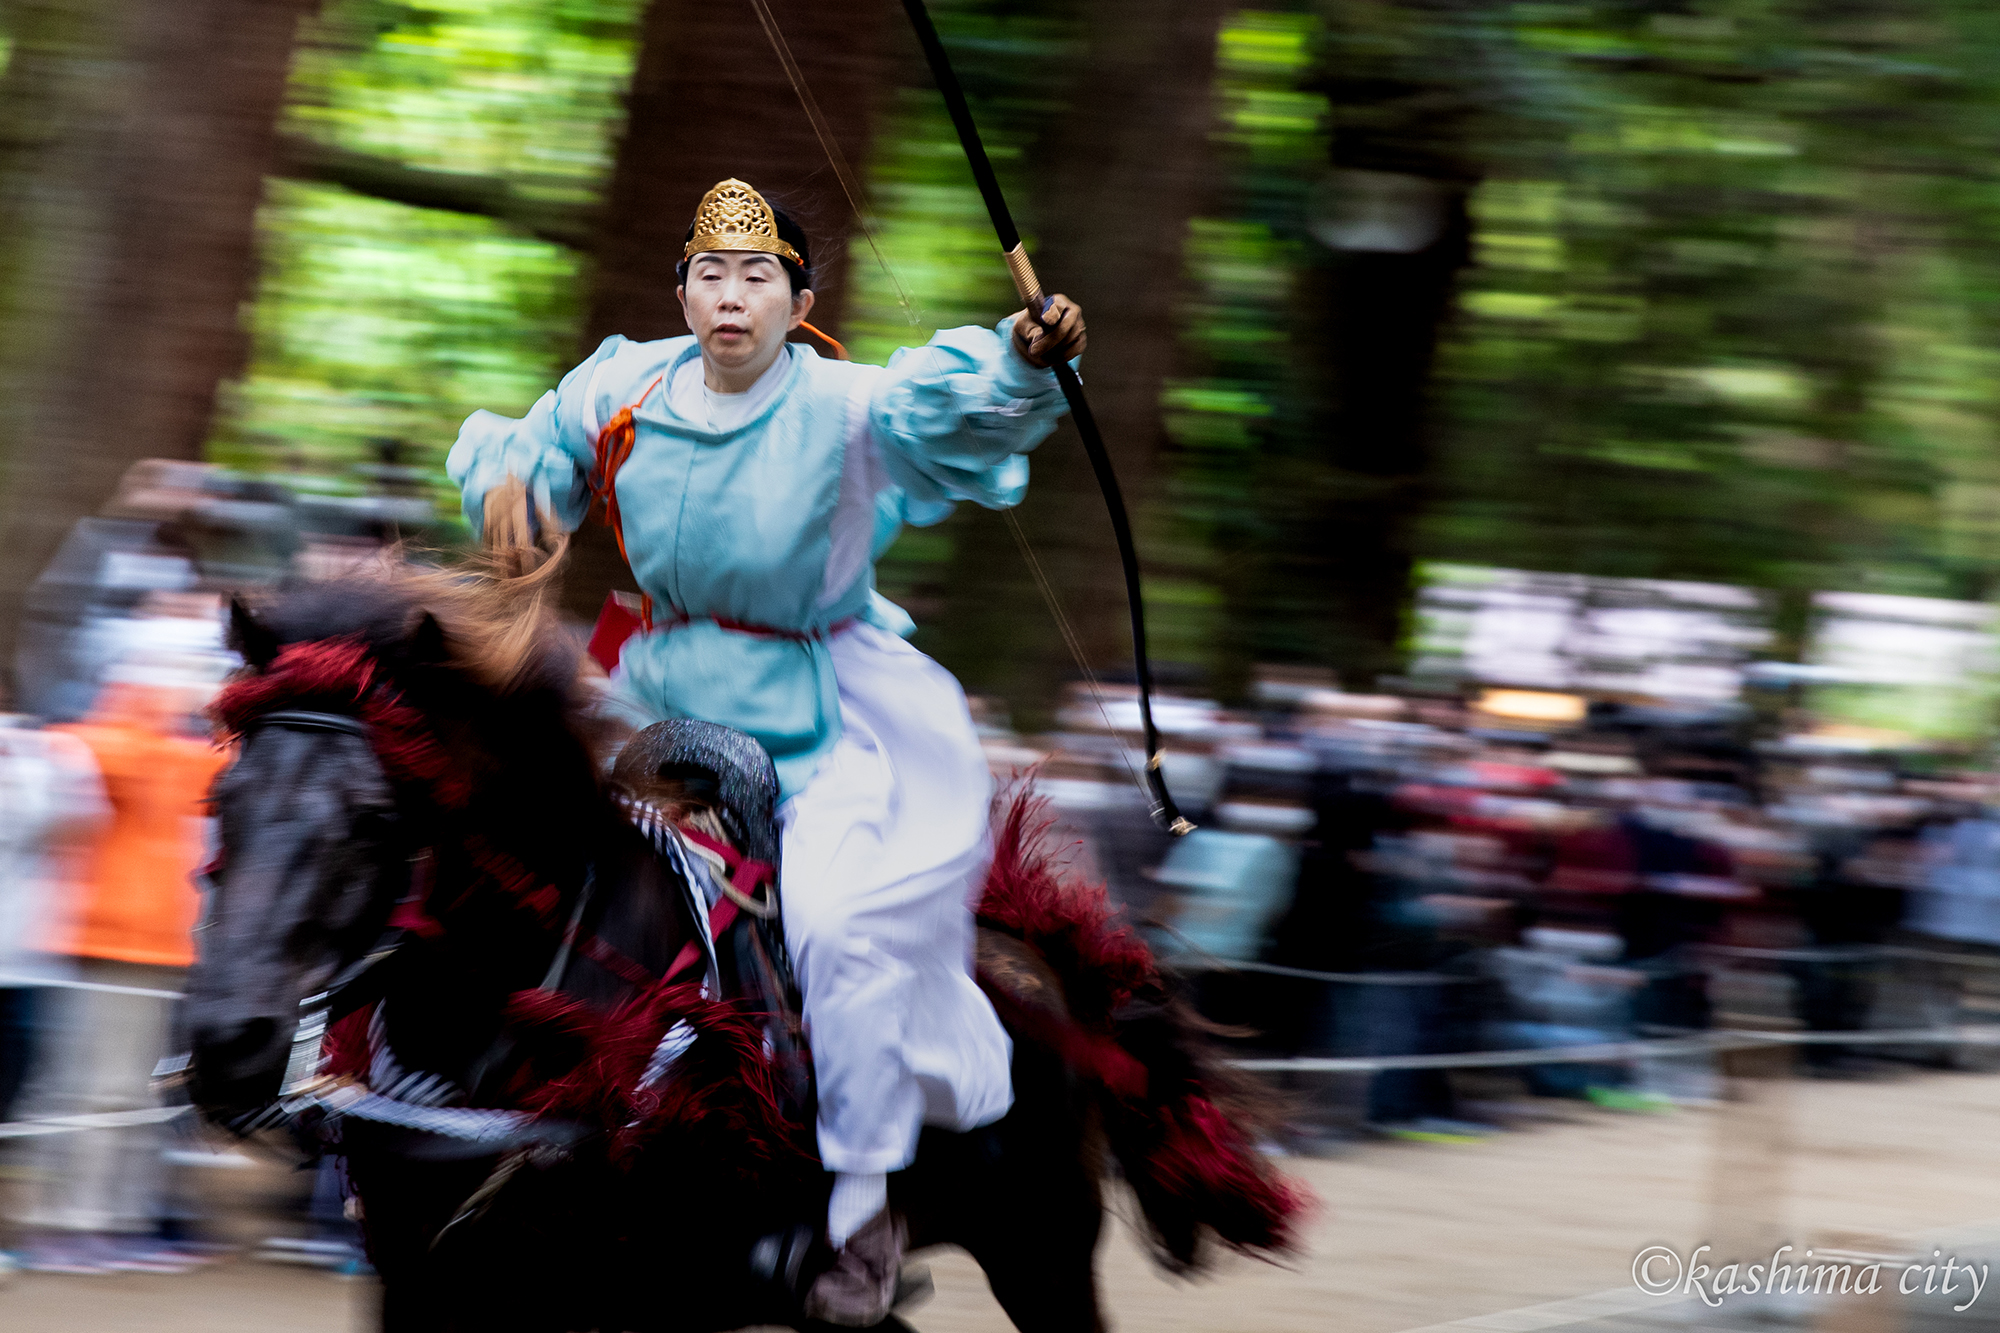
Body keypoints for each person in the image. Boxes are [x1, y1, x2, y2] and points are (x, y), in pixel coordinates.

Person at [447, 177, 1086, 1325]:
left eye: (756, 278)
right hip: (643, 697)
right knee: (500, 863)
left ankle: (858, 1210)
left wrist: (1025, 361)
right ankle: (439, 1136)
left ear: (798, 301)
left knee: (839, 932)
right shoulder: (622, 382)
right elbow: (531, 452)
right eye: (708, 274)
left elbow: (960, 417)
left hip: (817, 709)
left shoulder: (851, 404)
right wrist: (510, 489)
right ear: (681, 291)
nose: (729, 296)